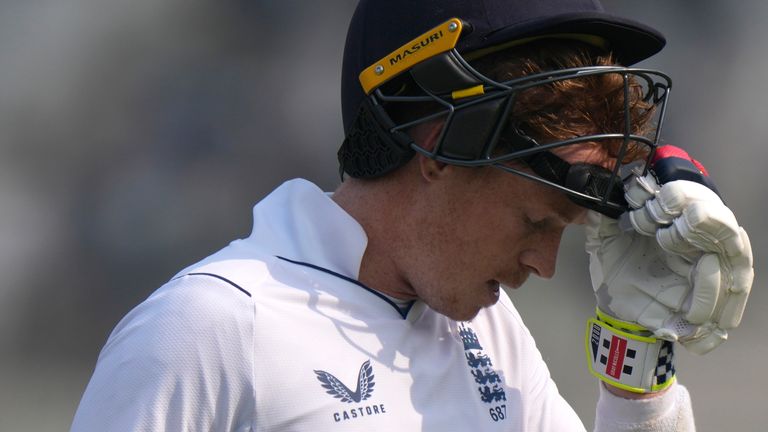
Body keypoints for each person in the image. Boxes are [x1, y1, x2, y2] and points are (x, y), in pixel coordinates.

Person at [71, 0, 754, 431]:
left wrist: (635, 371)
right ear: (439, 146)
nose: (544, 267)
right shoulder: (207, 332)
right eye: (536, 223)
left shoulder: (490, 328)